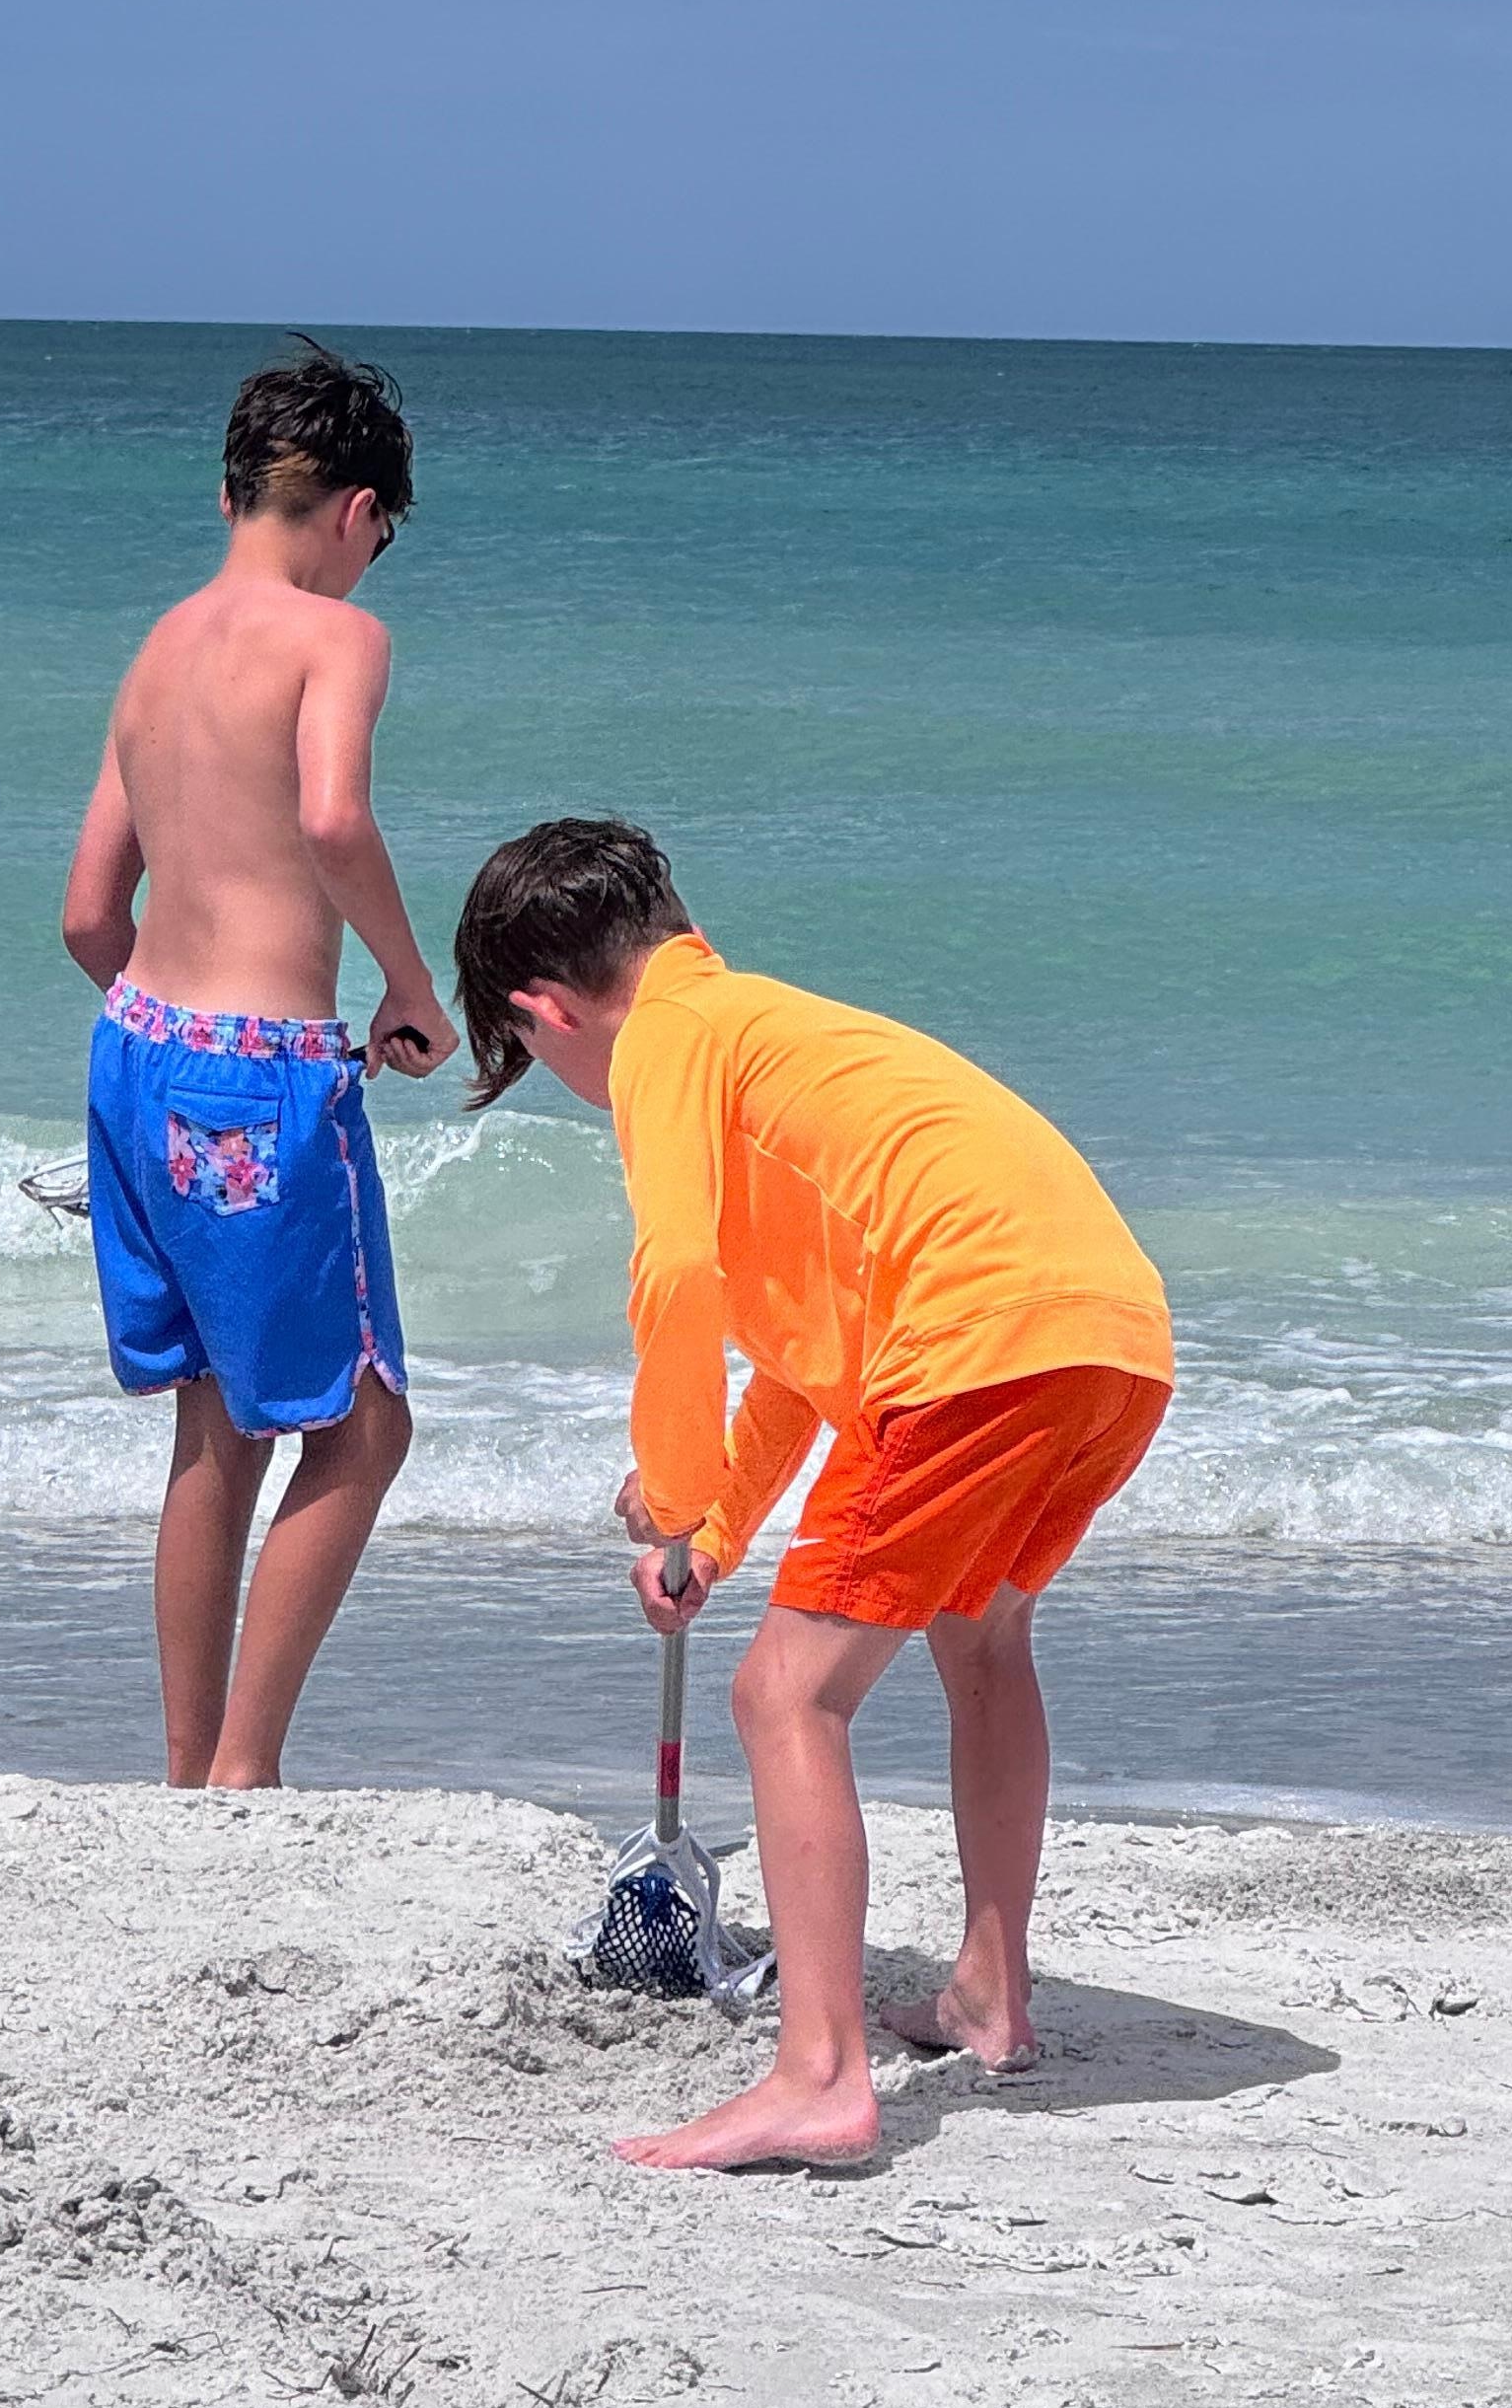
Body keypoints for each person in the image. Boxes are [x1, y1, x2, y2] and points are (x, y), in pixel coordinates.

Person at [451, 817, 1173, 2173]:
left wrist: (665, 1487)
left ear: (543, 1012)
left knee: (785, 1694)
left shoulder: (667, 1041)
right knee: (980, 1637)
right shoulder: (764, 1034)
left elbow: (673, 1279)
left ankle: (821, 2077)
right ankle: (988, 1995)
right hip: (1112, 1336)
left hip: (981, 1340)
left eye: (536, 1060)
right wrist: (712, 1533)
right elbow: (800, 1364)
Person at [61, 341, 457, 1788]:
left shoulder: (158, 649)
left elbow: (88, 915)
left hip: (135, 1053)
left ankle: (186, 1773)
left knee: (216, 1424)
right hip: (260, 1070)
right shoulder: (334, 639)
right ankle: (247, 1771)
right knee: (364, 1428)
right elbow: (337, 821)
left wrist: (173, 1039)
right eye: (380, 542)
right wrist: (410, 990)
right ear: (357, 509)